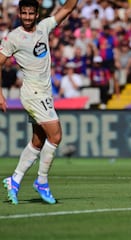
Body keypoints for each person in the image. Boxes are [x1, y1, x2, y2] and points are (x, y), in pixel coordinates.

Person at [0, 0, 78, 205]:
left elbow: (68, 8)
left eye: (30, 13)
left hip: (44, 93)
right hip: (34, 93)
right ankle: (41, 181)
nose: (26, 17)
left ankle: (14, 179)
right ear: (19, 14)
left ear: (36, 15)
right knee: (57, 135)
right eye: (23, 13)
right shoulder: (14, 37)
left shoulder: (44, 27)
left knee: (38, 140)